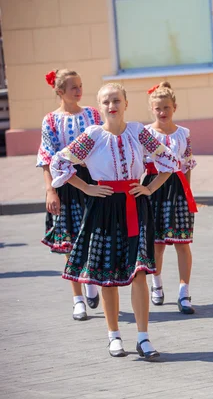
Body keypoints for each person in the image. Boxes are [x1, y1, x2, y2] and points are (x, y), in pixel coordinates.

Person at [50, 82, 178, 360]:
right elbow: (59, 162)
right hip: (104, 207)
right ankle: (114, 336)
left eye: (116, 100)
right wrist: (87, 188)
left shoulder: (137, 132)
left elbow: (169, 159)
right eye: (106, 102)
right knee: (107, 274)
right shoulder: (92, 135)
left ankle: (143, 338)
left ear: (125, 103)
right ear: (99, 107)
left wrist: (150, 187)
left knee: (140, 272)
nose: (112, 106)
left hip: (135, 204)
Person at [37, 69, 101, 321]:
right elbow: (46, 158)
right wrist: (50, 190)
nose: (79, 90)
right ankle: (77, 299)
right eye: (73, 87)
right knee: (70, 242)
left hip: (92, 180)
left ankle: (91, 281)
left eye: (80, 85)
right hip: (63, 183)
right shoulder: (50, 121)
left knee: (95, 234)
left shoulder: (93, 114)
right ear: (60, 92)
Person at [143, 82, 198, 314]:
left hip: (177, 189)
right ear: (151, 109)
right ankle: (156, 284)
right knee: (157, 243)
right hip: (154, 188)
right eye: (158, 108)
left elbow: (186, 165)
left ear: (174, 107)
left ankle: (184, 292)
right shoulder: (145, 133)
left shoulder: (183, 134)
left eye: (166, 107)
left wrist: (188, 193)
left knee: (182, 243)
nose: (162, 112)